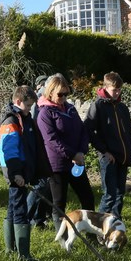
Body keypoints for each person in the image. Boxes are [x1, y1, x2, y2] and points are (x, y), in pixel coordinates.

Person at [36, 73, 95, 230]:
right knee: (59, 203)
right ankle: (62, 236)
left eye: (66, 94)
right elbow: (51, 140)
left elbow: (82, 130)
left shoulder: (71, 109)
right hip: (58, 165)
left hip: (76, 162)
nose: (63, 97)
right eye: (60, 94)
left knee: (88, 198)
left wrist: (81, 151)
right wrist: (72, 154)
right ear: (50, 92)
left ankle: (90, 232)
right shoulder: (45, 114)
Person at [0, 85, 47, 261]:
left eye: (31, 106)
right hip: (16, 172)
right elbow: (10, 150)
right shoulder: (11, 121)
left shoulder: (26, 119)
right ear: (18, 101)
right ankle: (24, 255)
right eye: (27, 105)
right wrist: (16, 173)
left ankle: (11, 249)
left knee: (13, 207)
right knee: (20, 210)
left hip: (24, 171)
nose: (29, 109)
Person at [84, 72, 131, 218]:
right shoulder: (98, 106)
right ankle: (100, 225)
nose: (117, 92)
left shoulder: (122, 107)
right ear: (105, 88)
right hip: (108, 157)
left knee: (120, 194)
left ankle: (114, 223)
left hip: (123, 156)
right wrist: (104, 151)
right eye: (114, 90)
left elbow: (129, 130)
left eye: (119, 89)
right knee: (109, 195)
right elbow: (88, 129)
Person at [26, 75, 53, 229]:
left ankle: (39, 219)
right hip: (39, 150)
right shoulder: (39, 103)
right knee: (40, 185)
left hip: (43, 149)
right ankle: (26, 218)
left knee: (45, 186)